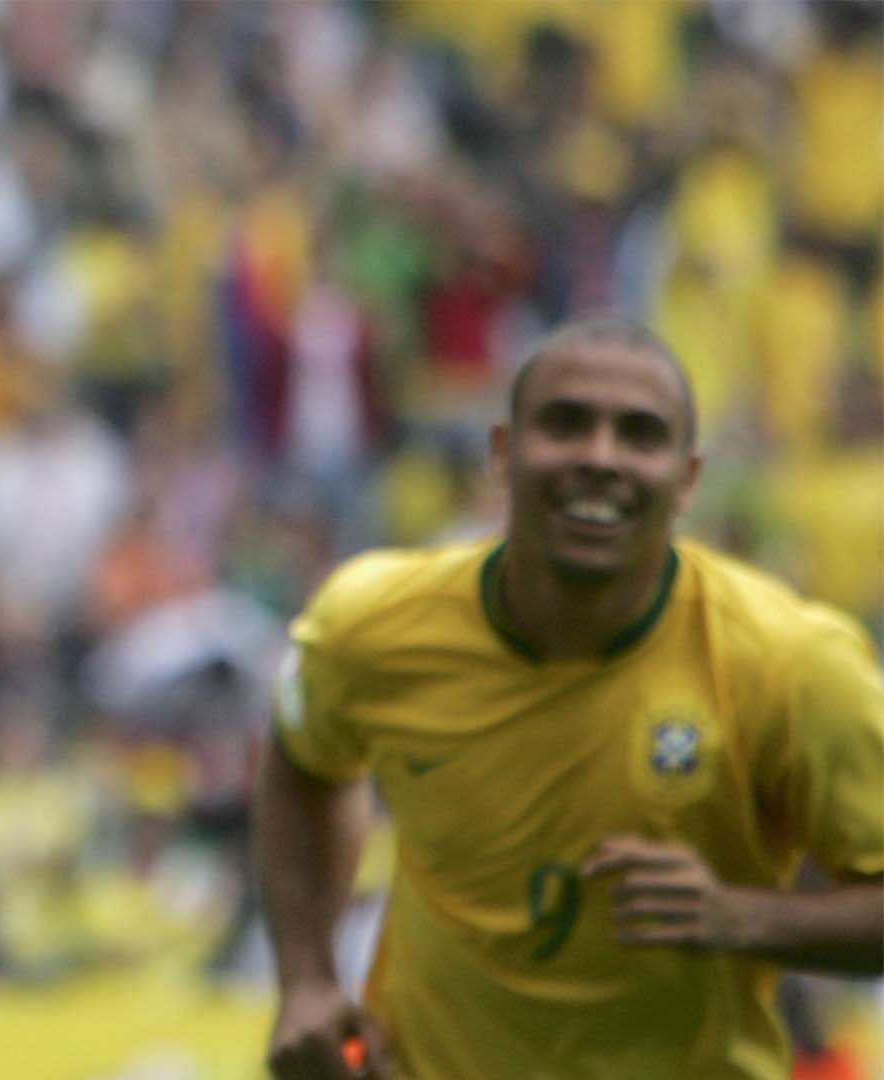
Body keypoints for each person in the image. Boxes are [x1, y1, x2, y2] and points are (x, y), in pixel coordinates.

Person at [257, 315, 884, 1079]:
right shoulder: (373, 626)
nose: (599, 458)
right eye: (565, 424)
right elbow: (302, 763)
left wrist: (740, 916)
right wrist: (308, 979)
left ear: (687, 480)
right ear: (501, 452)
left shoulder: (792, 663)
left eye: (639, 435)